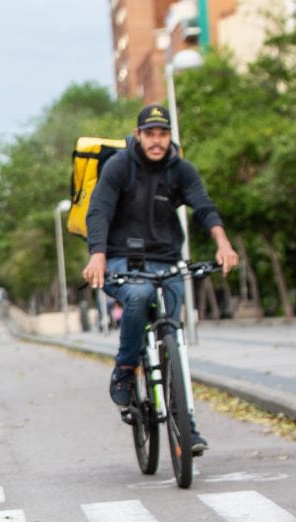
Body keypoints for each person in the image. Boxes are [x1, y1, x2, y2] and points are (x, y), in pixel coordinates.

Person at [81, 104, 239, 455]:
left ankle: (188, 428)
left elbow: (204, 206)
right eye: (150, 133)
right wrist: (98, 254)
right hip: (122, 259)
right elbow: (100, 210)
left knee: (173, 336)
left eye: (163, 134)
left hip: (166, 260)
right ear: (138, 136)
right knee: (137, 296)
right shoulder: (120, 167)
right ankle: (125, 368)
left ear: (170, 137)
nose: (156, 140)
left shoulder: (180, 170)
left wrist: (222, 242)